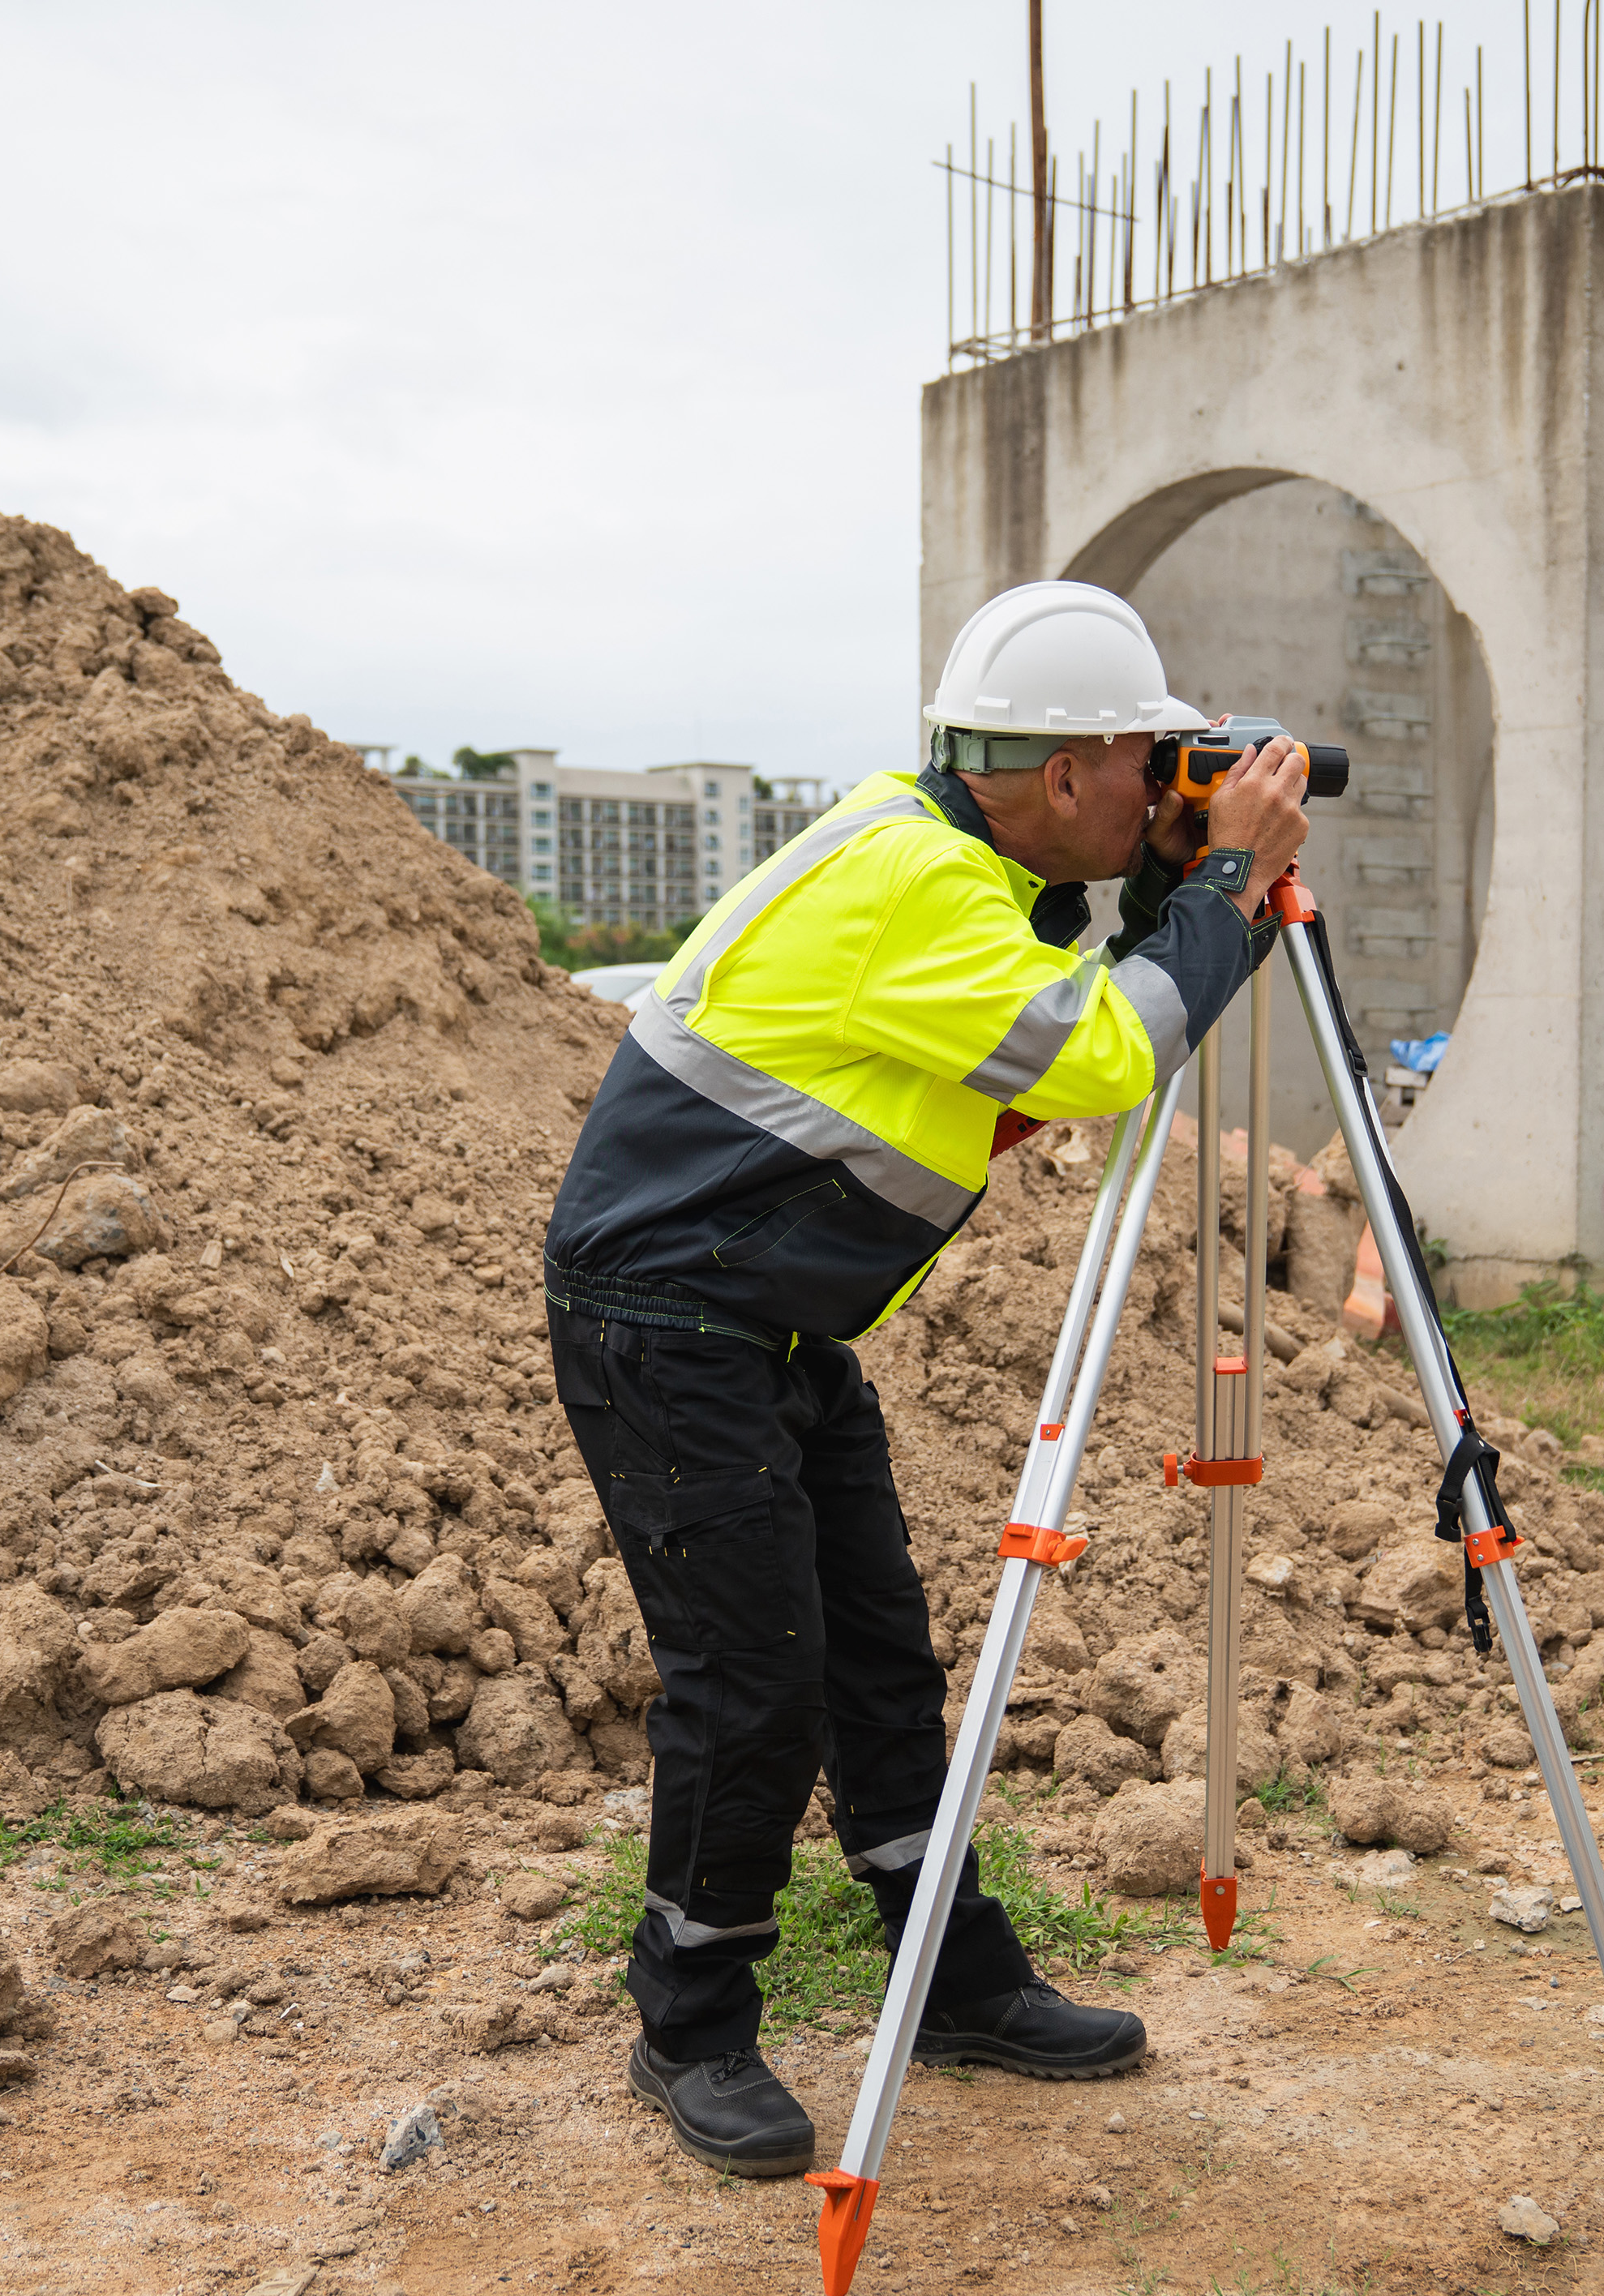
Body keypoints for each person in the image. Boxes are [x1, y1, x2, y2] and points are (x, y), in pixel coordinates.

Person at [540, 580, 1313, 2177]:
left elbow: (1044, 1023)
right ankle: (687, 2025)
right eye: (1146, 766)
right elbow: (1103, 1057)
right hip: (670, 1323)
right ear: (1062, 774)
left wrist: (1174, 884)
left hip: (762, 1322)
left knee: (881, 1668)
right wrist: (1226, 881)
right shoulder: (917, 892)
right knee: (752, 1685)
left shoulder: (941, 854)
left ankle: (955, 1984)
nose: (1163, 789)